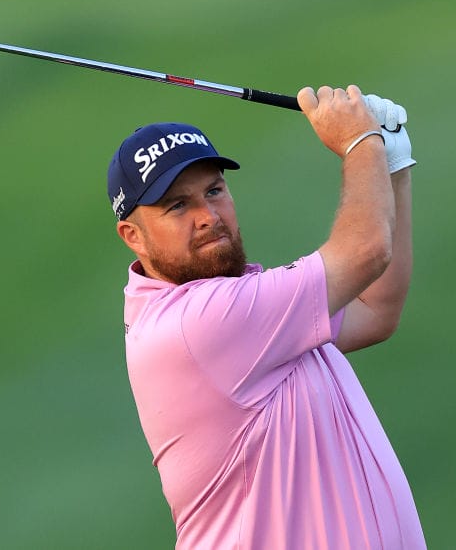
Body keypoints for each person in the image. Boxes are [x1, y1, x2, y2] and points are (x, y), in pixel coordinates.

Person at [106, 84, 424, 549]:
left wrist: (393, 167)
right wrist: (359, 141)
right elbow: (366, 251)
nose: (208, 216)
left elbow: (374, 310)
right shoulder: (195, 324)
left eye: (214, 191)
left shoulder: (242, 314)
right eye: (178, 205)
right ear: (133, 236)